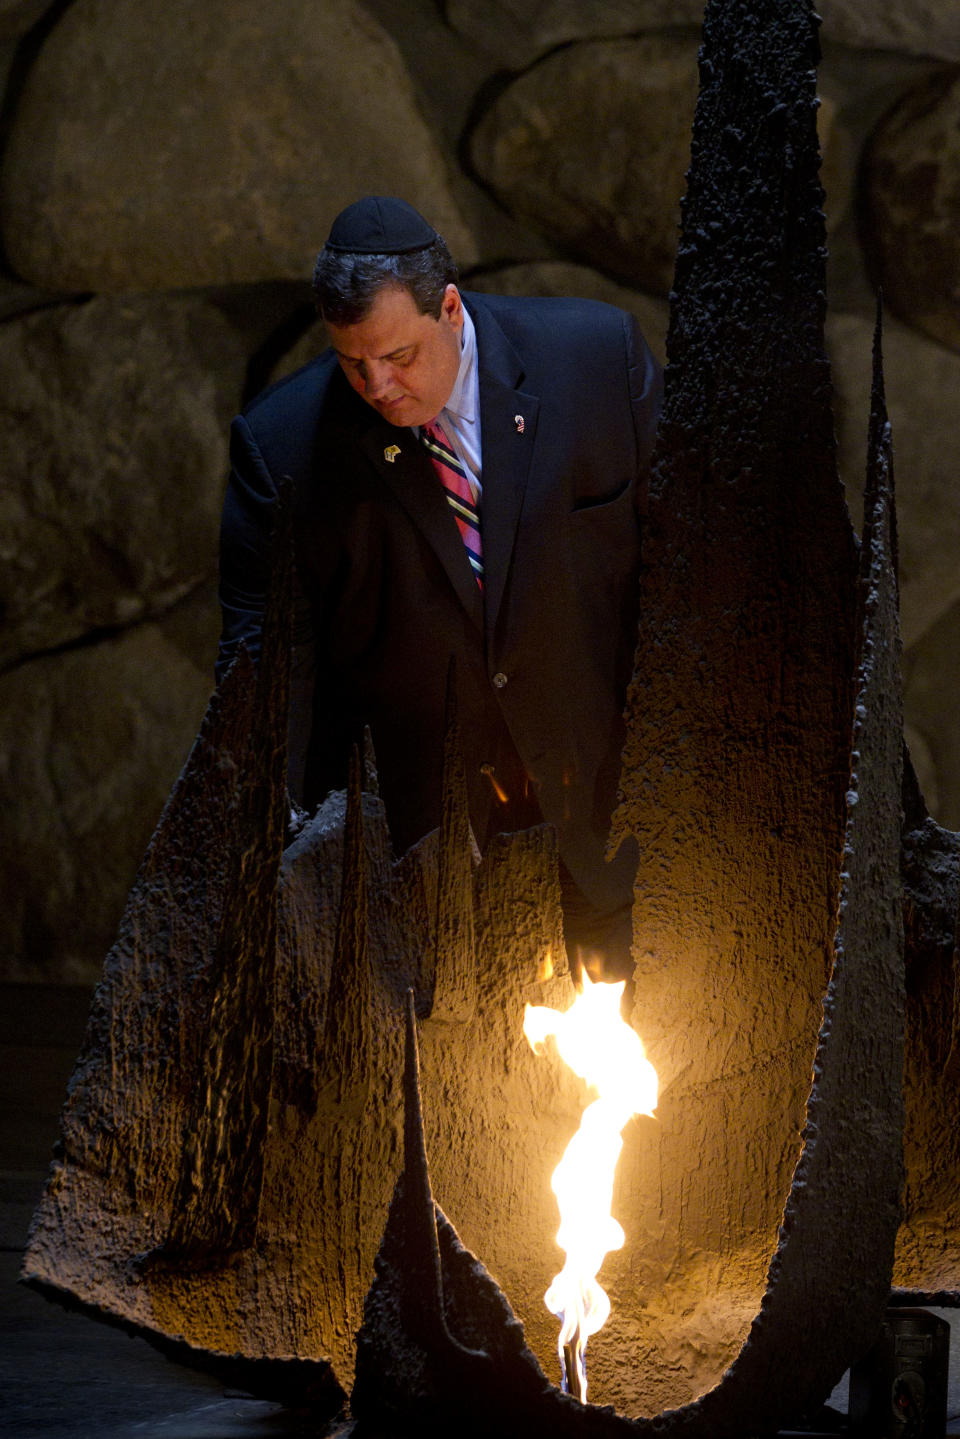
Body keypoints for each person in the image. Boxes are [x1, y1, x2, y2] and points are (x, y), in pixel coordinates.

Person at [218, 196, 662, 979]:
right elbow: (263, 660)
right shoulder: (284, 444)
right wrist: (270, 829)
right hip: (427, 851)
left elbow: (679, 562)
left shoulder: (594, 361)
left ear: (449, 308)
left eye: (398, 356)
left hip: (610, 807)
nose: (379, 386)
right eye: (354, 363)